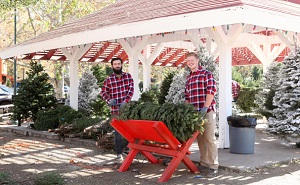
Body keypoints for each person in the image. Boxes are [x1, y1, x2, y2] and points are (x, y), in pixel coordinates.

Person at [184, 52, 218, 178]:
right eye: (188, 61)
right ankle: (204, 163)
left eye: (192, 60)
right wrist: (187, 110)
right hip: (195, 114)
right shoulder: (189, 78)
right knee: (200, 139)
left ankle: (213, 166)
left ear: (197, 60)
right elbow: (187, 96)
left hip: (207, 111)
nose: (190, 62)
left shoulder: (206, 74)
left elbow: (211, 91)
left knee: (209, 138)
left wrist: (205, 108)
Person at [100, 57, 134, 162]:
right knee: (117, 133)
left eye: (119, 64)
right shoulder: (109, 79)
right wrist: (109, 100)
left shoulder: (128, 77)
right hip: (115, 110)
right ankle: (119, 153)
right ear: (112, 66)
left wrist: (126, 101)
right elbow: (103, 92)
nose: (117, 66)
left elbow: (131, 89)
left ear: (121, 65)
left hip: (126, 109)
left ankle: (129, 149)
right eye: (115, 64)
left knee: (129, 130)